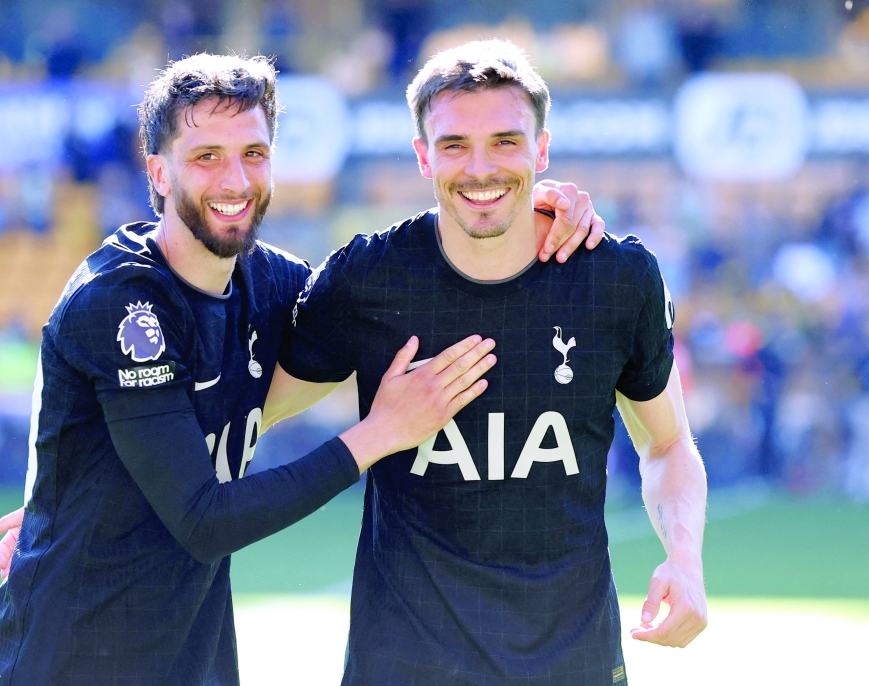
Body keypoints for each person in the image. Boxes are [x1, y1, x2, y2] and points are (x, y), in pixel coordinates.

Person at [0, 53, 602, 686]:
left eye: (253, 153)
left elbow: (411, 284)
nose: (235, 179)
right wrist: (378, 433)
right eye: (206, 157)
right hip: (60, 660)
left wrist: (537, 209)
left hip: (190, 659)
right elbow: (203, 520)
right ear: (159, 173)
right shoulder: (123, 304)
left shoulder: (273, 283)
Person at [270, 39, 708, 684]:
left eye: (506, 141)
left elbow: (668, 444)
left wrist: (685, 559)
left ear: (543, 149)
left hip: (571, 662)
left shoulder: (615, 279)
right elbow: (251, 413)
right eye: (453, 145)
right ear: (423, 156)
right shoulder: (370, 279)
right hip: (403, 666)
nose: (480, 168)